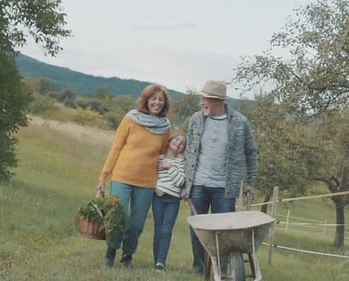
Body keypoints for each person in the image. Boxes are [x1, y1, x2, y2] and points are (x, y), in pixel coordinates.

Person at [181, 80, 258, 275]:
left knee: (224, 233)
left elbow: (251, 152)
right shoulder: (196, 119)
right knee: (196, 230)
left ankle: (221, 270)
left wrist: (250, 182)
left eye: (204, 98)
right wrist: (185, 183)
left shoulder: (239, 122)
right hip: (198, 184)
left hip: (225, 187)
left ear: (216, 101)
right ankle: (199, 269)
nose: (201, 102)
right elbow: (190, 152)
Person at [96, 84, 172, 268]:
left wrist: (167, 171)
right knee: (118, 216)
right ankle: (111, 251)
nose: (157, 102)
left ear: (164, 104)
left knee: (137, 224)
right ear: (146, 100)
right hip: (122, 176)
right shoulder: (130, 119)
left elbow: (163, 154)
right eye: (153, 98)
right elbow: (116, 148)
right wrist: (103, 177)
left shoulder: (165, 127)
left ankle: (127, 256)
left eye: (160, 99)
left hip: (147, 182)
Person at [152, 134, 187, 272]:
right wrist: (155, 187)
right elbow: (150, 176)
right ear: (170, 141)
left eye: (182, 143)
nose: (179, 143)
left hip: (173, 200)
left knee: (166, 230)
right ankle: (156, 260)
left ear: (182, 150)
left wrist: (168, 167)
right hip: (158, 199)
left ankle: (161, 262)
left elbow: (180, 182)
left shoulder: (181, 163)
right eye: (177, 139)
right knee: (158, 230)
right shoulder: (158, 158)